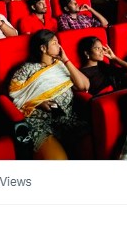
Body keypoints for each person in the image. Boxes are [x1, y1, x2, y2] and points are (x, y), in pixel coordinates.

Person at [9, 30, 89, 159]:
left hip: (67, 119)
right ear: (43, 48)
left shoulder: (60, 64)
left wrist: (66, 60)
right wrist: (38, 102)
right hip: (40, 123)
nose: (59, 46)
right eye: (54, 43)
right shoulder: (27, 69)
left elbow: (84, 86)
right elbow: (15, 95)